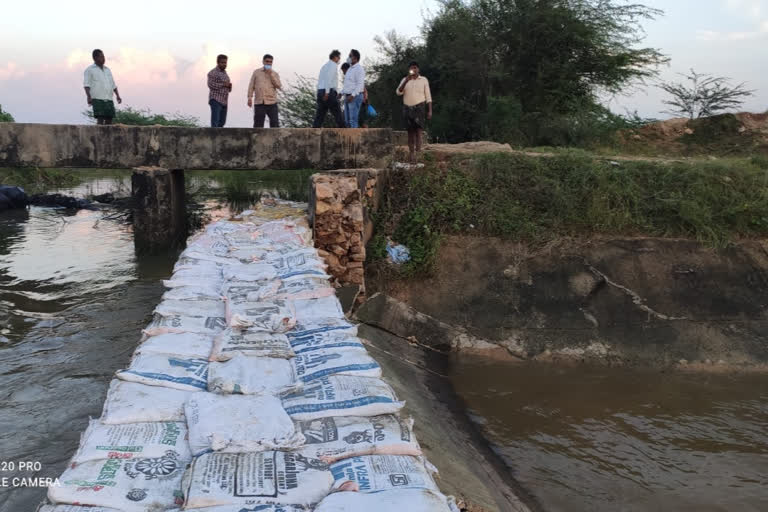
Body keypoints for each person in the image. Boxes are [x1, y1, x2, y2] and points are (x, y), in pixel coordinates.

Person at [396, 61, 433, 163]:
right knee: (410, 133)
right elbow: (398, 92)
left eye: (415, 68)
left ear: (418, 69)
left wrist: (430, 110)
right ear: (409, 70)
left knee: (418, 132)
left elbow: (428, 96)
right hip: (407, 108)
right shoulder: (405, 79)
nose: (414, 70)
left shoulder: (424, 80)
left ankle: (418, 154)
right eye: (412, 68)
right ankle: (412, 155)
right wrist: (406, 81)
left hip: (419, 107)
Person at [83, 49, 122, 125]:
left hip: (109, 98)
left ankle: (107, 136)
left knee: (109, 118)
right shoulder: (89, 70)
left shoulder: (107, 70)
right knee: (100, 118)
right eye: (101, 57)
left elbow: (113, 84)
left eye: (103, 56)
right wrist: (88, 96)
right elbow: (86, 85)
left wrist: (118, 96)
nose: (103, 59)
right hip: (97, 98)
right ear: (95, 58)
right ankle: (99, 135)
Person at [247, 54, 282, 128]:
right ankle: (256, 139)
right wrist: (249, 97)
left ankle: (275, 139)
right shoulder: (256, 72)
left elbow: (278, 86)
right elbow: (251, 85)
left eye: (270, 62)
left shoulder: (274, 73)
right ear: (263, 62)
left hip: (272, 102)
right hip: (259, 102)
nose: (269, 63)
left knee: (274, 123)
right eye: (267, 61)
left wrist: (271, 74)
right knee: (258, 125)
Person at [313, 50, 345, 128]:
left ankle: (314, 130)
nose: (339, 59)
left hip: (320, 91)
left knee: (320, 114)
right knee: (337, 112)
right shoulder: (333, 65)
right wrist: (327, 93)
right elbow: (328, 79)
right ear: (335, 57)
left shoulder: (324, 66)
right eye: (339, 57)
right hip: (328, 91)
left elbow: (321, 80)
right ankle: (344, 130)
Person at [341, 50, 365, 128]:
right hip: (347, 96)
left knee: (353, 120)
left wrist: (353, 95)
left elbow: (360, 85)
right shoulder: (350, 69)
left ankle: (354, 139)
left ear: (355, 58)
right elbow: (348, 85)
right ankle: (348, 139)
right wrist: (341, 93)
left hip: (354, 97)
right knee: (347, 121)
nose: (348, 58)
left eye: (350, 56)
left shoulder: (359, 69)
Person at [207, 54, 232, 128]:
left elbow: (226, 87)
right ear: (218, 63)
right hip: (215, 100)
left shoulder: (225, 73)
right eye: (222, 62)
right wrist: (224, 84)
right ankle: (213, 138)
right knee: (215, 122)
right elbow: (211, 85)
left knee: (222, 122)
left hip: (224, 101)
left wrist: (229, 86)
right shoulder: (213, 72)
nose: (224, 64)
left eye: (225, 62)